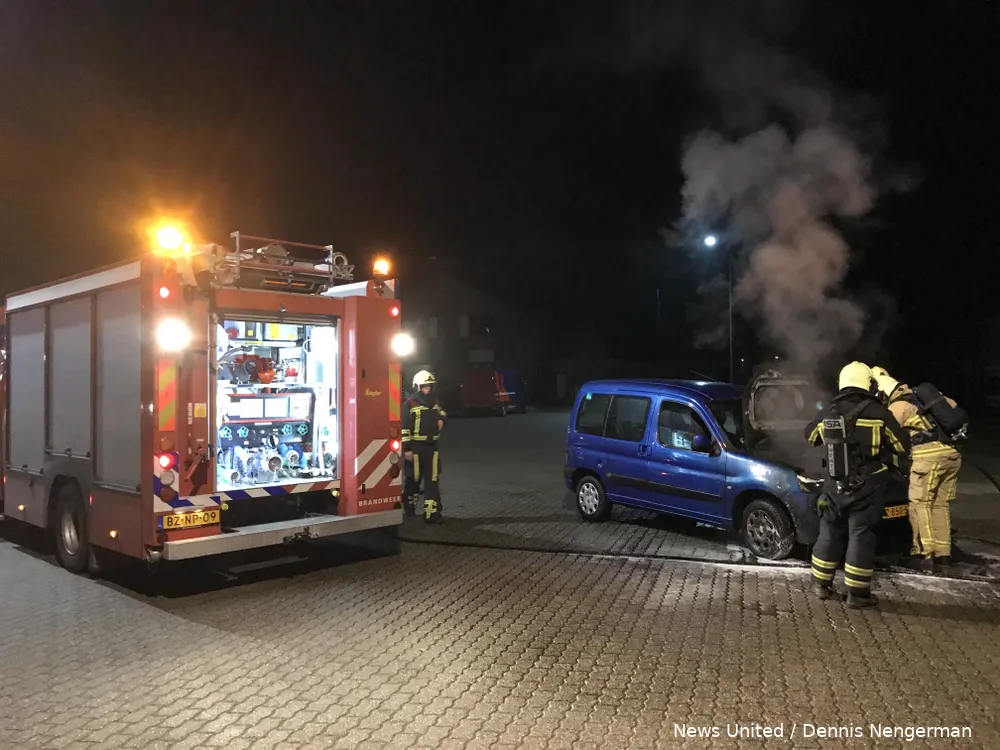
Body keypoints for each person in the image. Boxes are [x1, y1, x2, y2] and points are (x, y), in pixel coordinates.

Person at [806, 362, 911, 608]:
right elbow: (902, 445)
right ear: (868, 384)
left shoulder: (830, 410)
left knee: (829, 531)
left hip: (835, 484)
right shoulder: (878, 412)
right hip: (867, 487)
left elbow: (810, 437)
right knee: (860, 534)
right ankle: (857, 594)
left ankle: (820, 584)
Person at [872, 367, 967, 570]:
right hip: (952, 455)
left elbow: (884, 438)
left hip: (927, 459)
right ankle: (943, 554)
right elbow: (958, 415)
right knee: (939, 505)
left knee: (920, 504)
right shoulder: (931, 398)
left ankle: (924, 554)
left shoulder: (898, 407)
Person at [401, 370, 448, 523]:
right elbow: (405, 428)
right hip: (415, 448)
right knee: (413, 479)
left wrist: (442, 419)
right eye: (424, 386)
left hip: (432, 447)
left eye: (429, 386)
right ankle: (409, 507)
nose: (427, 389)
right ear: (417, 386)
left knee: (432, 481)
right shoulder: (409, 404)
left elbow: (443, 412)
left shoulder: (436, 401)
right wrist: (407, 449)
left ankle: (432, 515)